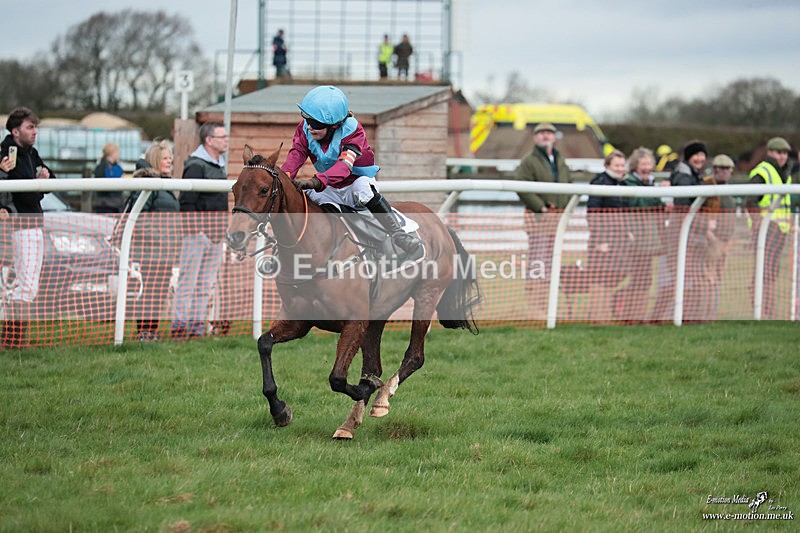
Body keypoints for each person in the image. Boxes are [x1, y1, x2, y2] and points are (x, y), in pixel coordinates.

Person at [281, 85, 421, 256]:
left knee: (363, 189)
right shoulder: (305, 129)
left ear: (334, 125)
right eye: (307, 119)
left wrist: (317, 181)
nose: (310, 127)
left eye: (316, 123)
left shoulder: (352, 130)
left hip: (354, 182)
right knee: (303, 196)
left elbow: (343, 167)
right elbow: (297, 154)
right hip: (329, 187)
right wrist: (284, 178)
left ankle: (399, 235)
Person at [0, 107, 54, 348]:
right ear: (15, 131)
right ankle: (14, 339)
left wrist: (44, 179)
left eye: (36, 127)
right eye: (30, 127)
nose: (35, 132)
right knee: (25, 284)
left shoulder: (32, 153)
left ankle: (15, 339)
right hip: (17, 225)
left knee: (28, 283)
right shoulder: (4, 154)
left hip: (33, 223)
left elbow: (47, 182)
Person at [171, 122, 229, 340]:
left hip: (215, 237)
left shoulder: (218, 165)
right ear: (209, 140)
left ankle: (196, 328)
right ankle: (179, 327)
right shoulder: (195, 166)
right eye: (222, 136)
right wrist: (197, 232)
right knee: (188, 282)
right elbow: (186, 202)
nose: (226, 140)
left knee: (205, 285)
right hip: (198, 237)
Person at [513, 122, 571, 319]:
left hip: (558, 218)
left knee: (553, 262)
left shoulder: (561, 160)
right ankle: (535, 307)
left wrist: (567, 208)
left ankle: (549, 305)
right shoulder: (529, 160)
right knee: (539, 263)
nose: (546, 136)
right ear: (535, 137)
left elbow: (568, 185)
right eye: (541, 133)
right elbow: (521, 186)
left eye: (549, 133)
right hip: (539, 219)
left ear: (554, 137)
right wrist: (542, 207)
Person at [127, 139, 180, 342]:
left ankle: (152, 330)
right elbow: (139, 219)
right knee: (150, 291)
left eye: (170, 158)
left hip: (164, 251)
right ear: (156, 160)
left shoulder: (164, 184)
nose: (169, 162)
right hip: (151, 250)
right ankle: (144, 331)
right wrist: (161, 236)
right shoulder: (147, 185)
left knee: (158, 292)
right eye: (165, 158)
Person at [651, 140, 708, 322]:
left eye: (702, 155)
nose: (700, 158)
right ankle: (662, 317)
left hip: (687, 232)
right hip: (682, 234)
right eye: (696, 155)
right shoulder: (684, 174)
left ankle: (683, 317)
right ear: (689, 157)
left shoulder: (692, 173)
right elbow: (684, 209)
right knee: (680, 280)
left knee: (683, 280)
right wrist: (705, 226)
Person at [745, 137, 793, 319]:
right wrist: (758, 225)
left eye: (785, 153)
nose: (782, 156)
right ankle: (761, 311)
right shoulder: (763, 172)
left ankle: (767, 310)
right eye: (779, 152)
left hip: (780, 229)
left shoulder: (784, 174)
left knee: (771, 274)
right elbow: (750, 201)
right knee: (763, 272)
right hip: (766, 228)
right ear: (770, 153)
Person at [619, 147, 666, 323]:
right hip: (636, 240)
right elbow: (639, 202)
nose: (647, 167)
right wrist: (658, 196)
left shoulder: (651, 183)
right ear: (635, 166)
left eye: (649, 163)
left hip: (649, 240)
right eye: (643, 163)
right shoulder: (629, 182)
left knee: (645, 279)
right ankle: (631, 315)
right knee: (639, 279)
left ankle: (637, 315)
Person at [586, 150, 629, 322]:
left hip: (620, 241)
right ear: (607, 166)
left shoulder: (624, 185)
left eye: (622, 165)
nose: (620, 168)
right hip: (603, 242)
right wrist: (600, 240)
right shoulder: (599, 182)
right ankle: (597, 317)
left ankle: (606, 317)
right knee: (599, 280)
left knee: (613, 279)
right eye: (616, 165)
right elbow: (593, 213)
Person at [701, 154, 736, 320]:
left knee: (718, 279)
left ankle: (712, 314)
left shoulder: (728, 189)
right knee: (709, 279)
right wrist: (710, 236)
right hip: (711, 241)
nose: (725, 172)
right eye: (722, 169)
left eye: (728, 169)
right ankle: (706, 314)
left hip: (724, 241)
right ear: (715, 169)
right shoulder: (708, 185)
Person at [92, 142, 125, 213]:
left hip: (115, 203)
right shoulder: (102, 168)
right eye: (117, 152)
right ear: (112, 153)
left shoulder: (117, 167)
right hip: (106, 204)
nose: (118, 155)